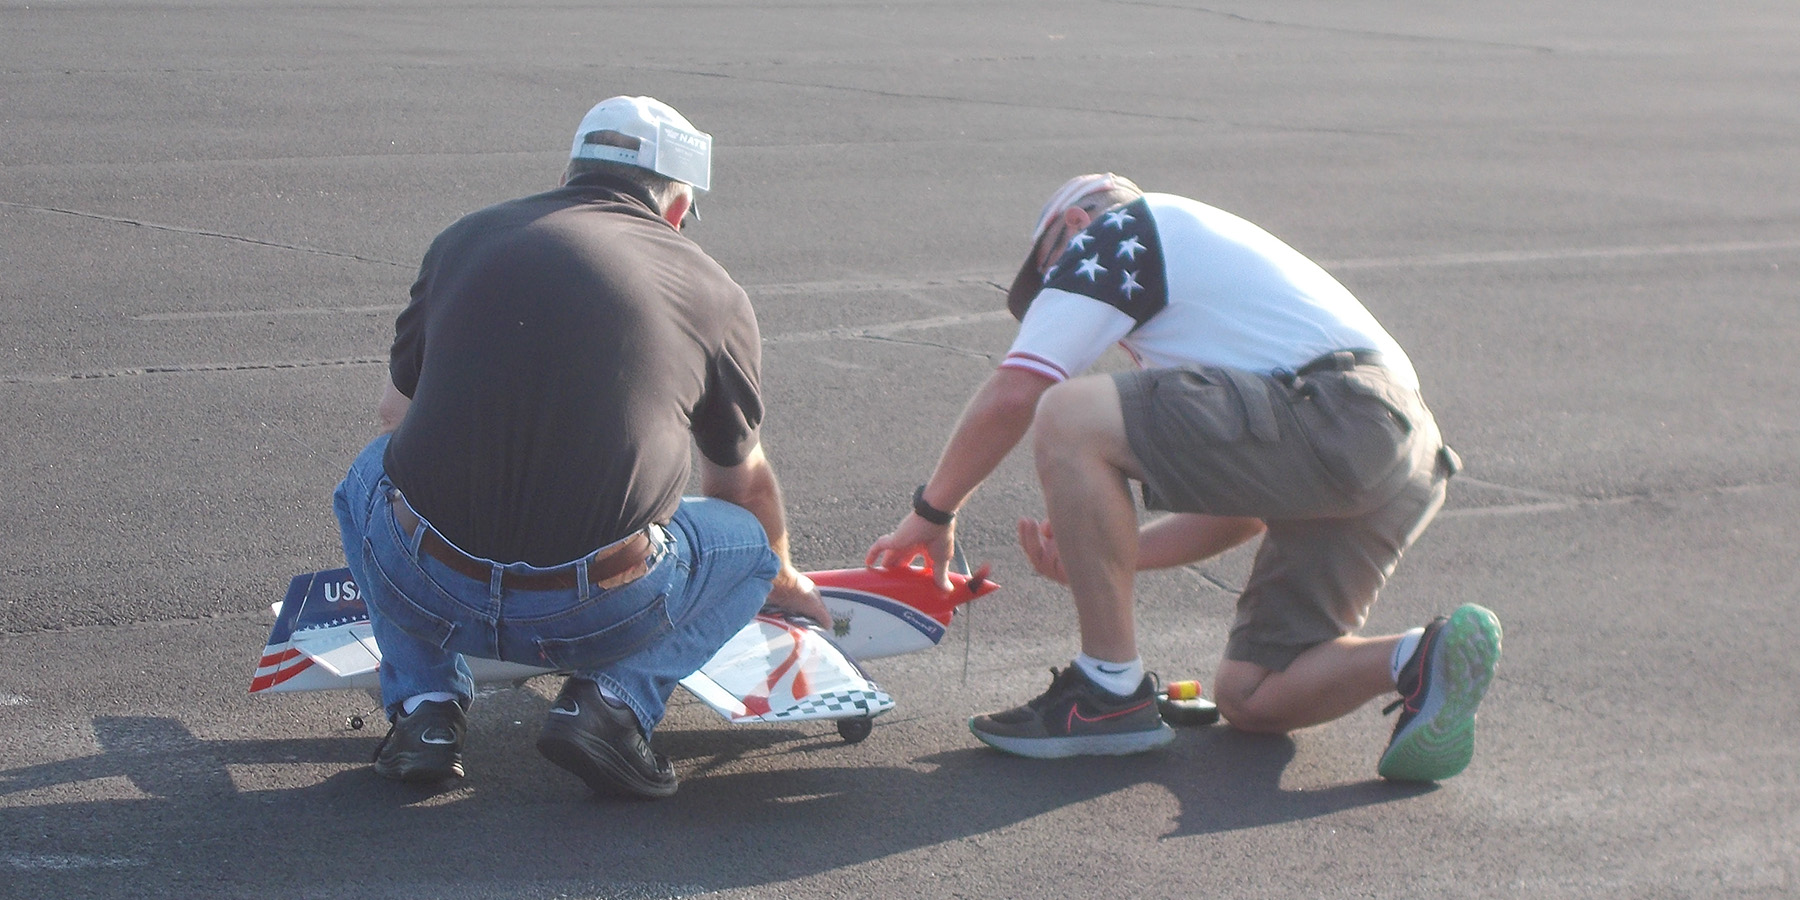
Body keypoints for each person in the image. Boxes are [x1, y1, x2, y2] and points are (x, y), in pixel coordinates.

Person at [865, 174, 1501, 781]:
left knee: (1067, 412)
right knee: (1251, 694)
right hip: (1403, 451)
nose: (1058, 299)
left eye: (1053, 278)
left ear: (1075, 224)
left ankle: (1106, 690)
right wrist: (1108, 555)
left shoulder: (1120, 233)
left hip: (1343, 410)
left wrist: (933, 514)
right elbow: (1247, 507)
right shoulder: (1219, 306)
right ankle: (1423, 656)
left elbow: (1017, 394)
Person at [334, 95, 829, 798]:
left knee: (366, 475)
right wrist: (782, 580)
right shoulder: (713, 290)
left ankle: (427, 712)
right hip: (591, 612)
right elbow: (740, 486)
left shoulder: (462, 239)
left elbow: (394, 416)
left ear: (570, 173)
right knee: (746, 543)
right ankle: (612, 705)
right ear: (679, 206)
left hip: (430, 580)